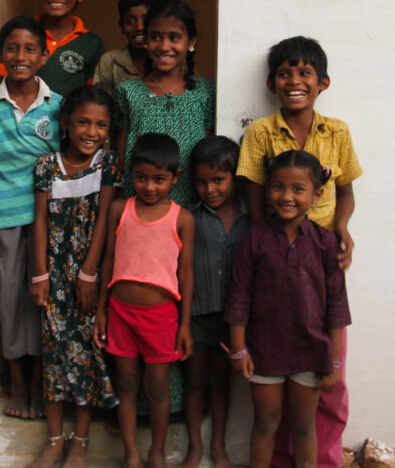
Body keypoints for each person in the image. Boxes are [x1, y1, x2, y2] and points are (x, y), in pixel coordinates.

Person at [236, 36, 361, 468]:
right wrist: (267, 251)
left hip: (323, 260)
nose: (295, 81)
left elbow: (346, 194)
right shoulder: (260, 133)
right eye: (286, 73)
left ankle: (323, 460)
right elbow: (252, 201)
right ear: (272, 83)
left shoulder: (338, 131)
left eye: (305, 73)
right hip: (275, 258)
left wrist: (341, 228)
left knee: (324, 374)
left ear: (322, 82)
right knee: (276, 368)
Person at [225, 151, 349, 468]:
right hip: (264, 349)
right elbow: (239, 295)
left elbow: (336, 303)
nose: (287, 197)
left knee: (303, 425)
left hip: (310, 351)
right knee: (266, 423)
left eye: (298, 189)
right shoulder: (255, 241)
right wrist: (238, 349)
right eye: (278, 187)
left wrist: (333, 360)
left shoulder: (325, 243)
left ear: (316, 194)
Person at [28, 85, 122, 468]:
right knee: (53, 353)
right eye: (83, 121)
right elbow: (39, 222)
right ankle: (54, 441)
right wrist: (39, 275)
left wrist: (89, 274)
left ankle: (79, 442)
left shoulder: (108, 164)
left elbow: (104, 220)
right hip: (53, 277)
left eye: (101, 125)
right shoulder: (46, 166)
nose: (92, 131)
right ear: (66, 123)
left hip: (88, 277)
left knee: (85, 355)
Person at [0, 15, 61, 421]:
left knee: (43, 301)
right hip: (5, 219)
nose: (20, 56)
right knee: (8, 300)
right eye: (12, 48)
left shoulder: (58, 106)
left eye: (30, 49)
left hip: (50, 220)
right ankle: (18, 383)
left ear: (44, 56)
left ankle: (44, 383)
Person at [94, 133, 195, 468]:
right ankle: (131, 453)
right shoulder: (120, 210)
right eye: (141, 178)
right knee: (125, 383)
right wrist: (102, 311)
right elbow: (108, 261)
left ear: (175, 178)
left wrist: (184, 324)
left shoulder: (182, 219)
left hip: (162, 317)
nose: (149, 186)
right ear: (130, 173)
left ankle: (156, 451)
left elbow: (186, 275)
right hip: (121, 314)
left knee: (157, 388)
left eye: (159, 179)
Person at [181, 136, 249, 468]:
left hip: (231, 319)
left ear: (235, 178)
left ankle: (218, 447)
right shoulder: (189, 218)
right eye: (202, 182)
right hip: (195, 315)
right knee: (194, 382)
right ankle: (194, 447)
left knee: (221, 384)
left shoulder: (250, 220)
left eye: (218, 180)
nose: (210, 189)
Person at [115, 0, 215, 209]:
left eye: (174, 37)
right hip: (140, 208)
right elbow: (121, 160)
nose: (164, 46)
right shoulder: (129, 92)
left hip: (190, 209)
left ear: (191, 42)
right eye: (155, 37)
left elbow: (207, 156)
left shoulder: (204, 92)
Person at [0, 0, 105, 96]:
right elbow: (3, 83)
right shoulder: (21, 34)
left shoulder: (91, 43)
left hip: (69, 117)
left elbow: (93, 96)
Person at [92, 0, 162, 93]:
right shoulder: (110, 62)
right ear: (122, 26)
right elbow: (99, 105)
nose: (139, 27)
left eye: (146, 20)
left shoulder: (172, 60)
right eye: (130, 21)